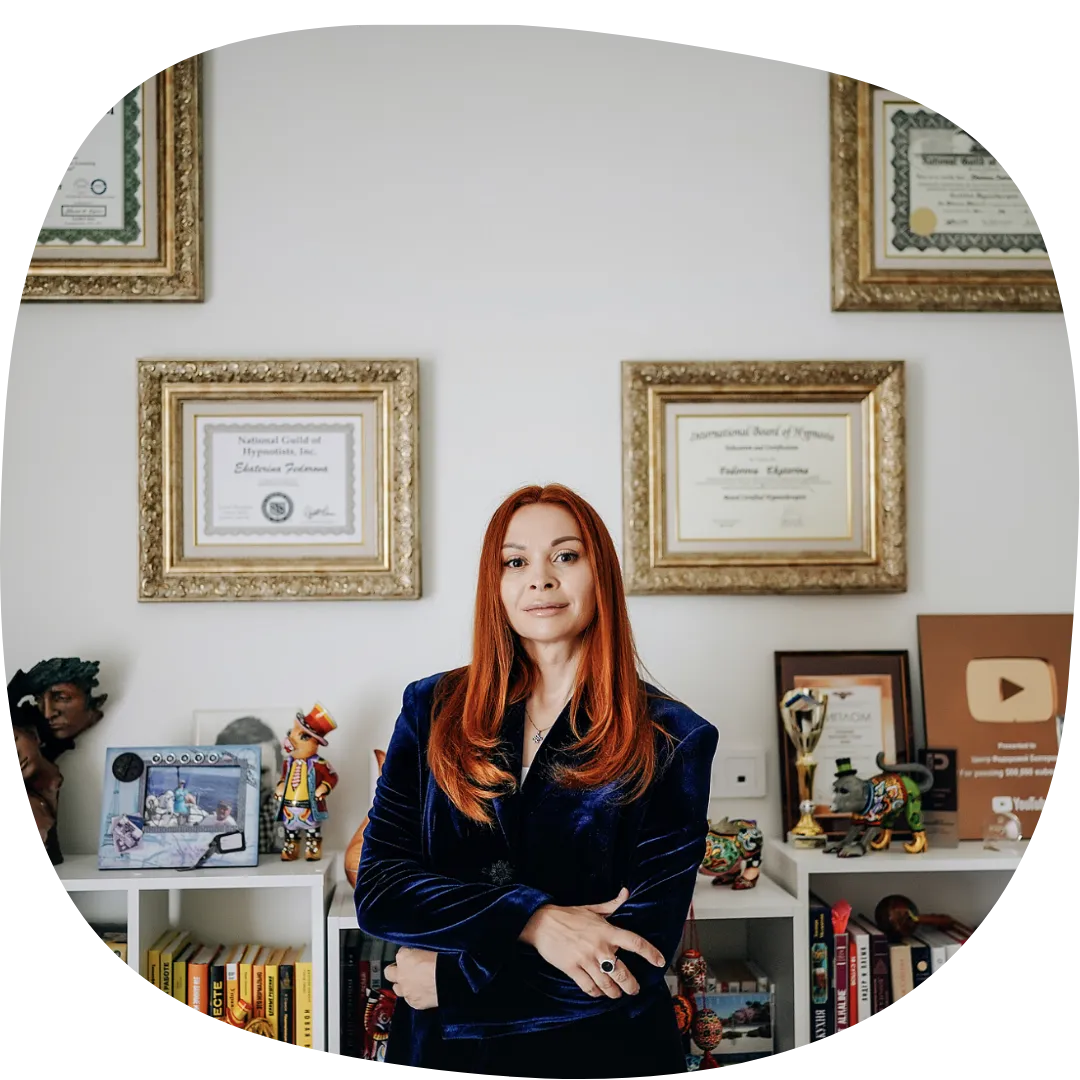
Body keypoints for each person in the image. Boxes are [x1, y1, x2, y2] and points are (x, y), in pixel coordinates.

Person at [353, 483, 719, 1077]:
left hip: (600, 1058)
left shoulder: (673, 737)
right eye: (516, 562)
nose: (541, 580)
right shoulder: (432, 707)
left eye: (565, 556)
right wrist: (534, 920)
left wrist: (452, 982)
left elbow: (636, 956)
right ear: (494, 584)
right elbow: (381, 890)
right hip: (444, 1055)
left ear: (600, 575)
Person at [214, 714, 285, 853]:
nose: (253, 782)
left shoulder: (287, 813)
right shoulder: (213, 814)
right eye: (242, 772)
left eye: (262, 771)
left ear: (278, 769)